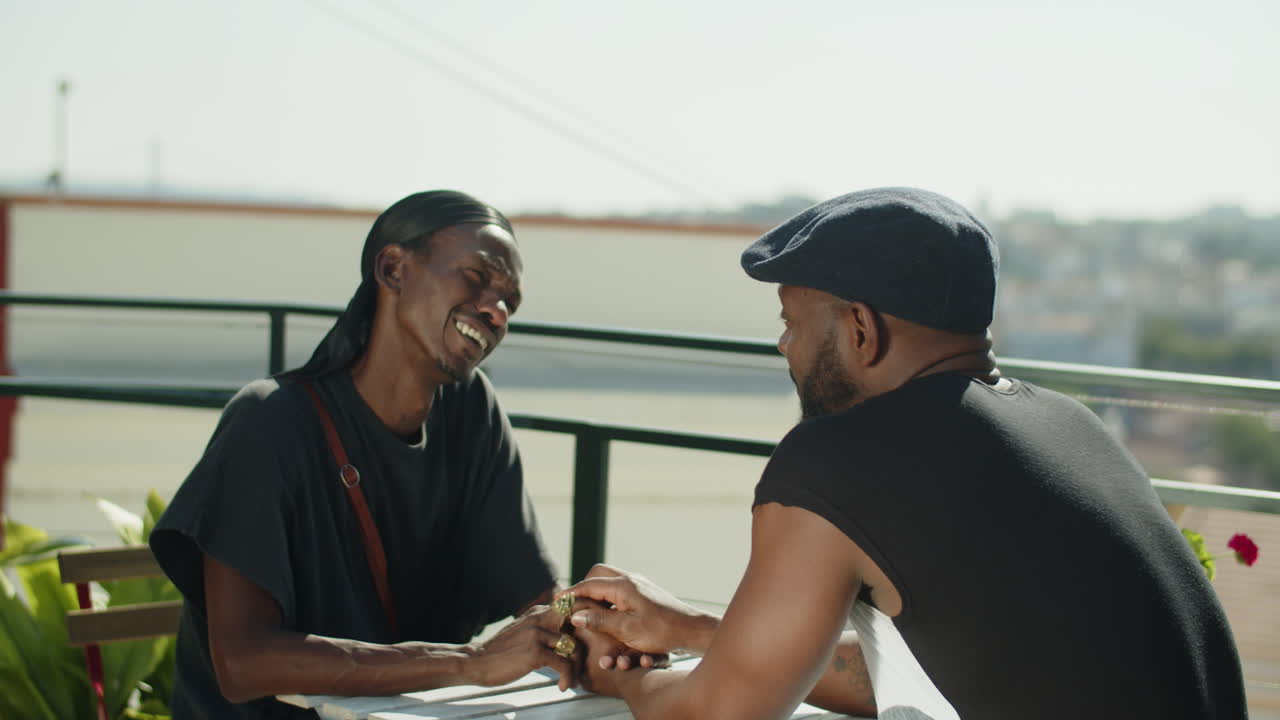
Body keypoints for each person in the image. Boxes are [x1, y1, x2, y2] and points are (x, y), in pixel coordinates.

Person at [561, 187, 1249, 719]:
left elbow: (719, 712)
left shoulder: (840, 456)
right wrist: (696, 628)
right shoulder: (1073, 428)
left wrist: (623, 680)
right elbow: (931, 669)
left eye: (790, 325)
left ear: (860, 329)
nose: (784, 349)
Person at [151, 191, 580, 719]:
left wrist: (577, 620)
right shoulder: (269, 421)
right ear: (393, 268)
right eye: (476, 277)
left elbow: (542, 594)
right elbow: (243, 663)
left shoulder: (474, 412)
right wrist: (469, 662)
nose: (496, 310)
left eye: (509, 303)